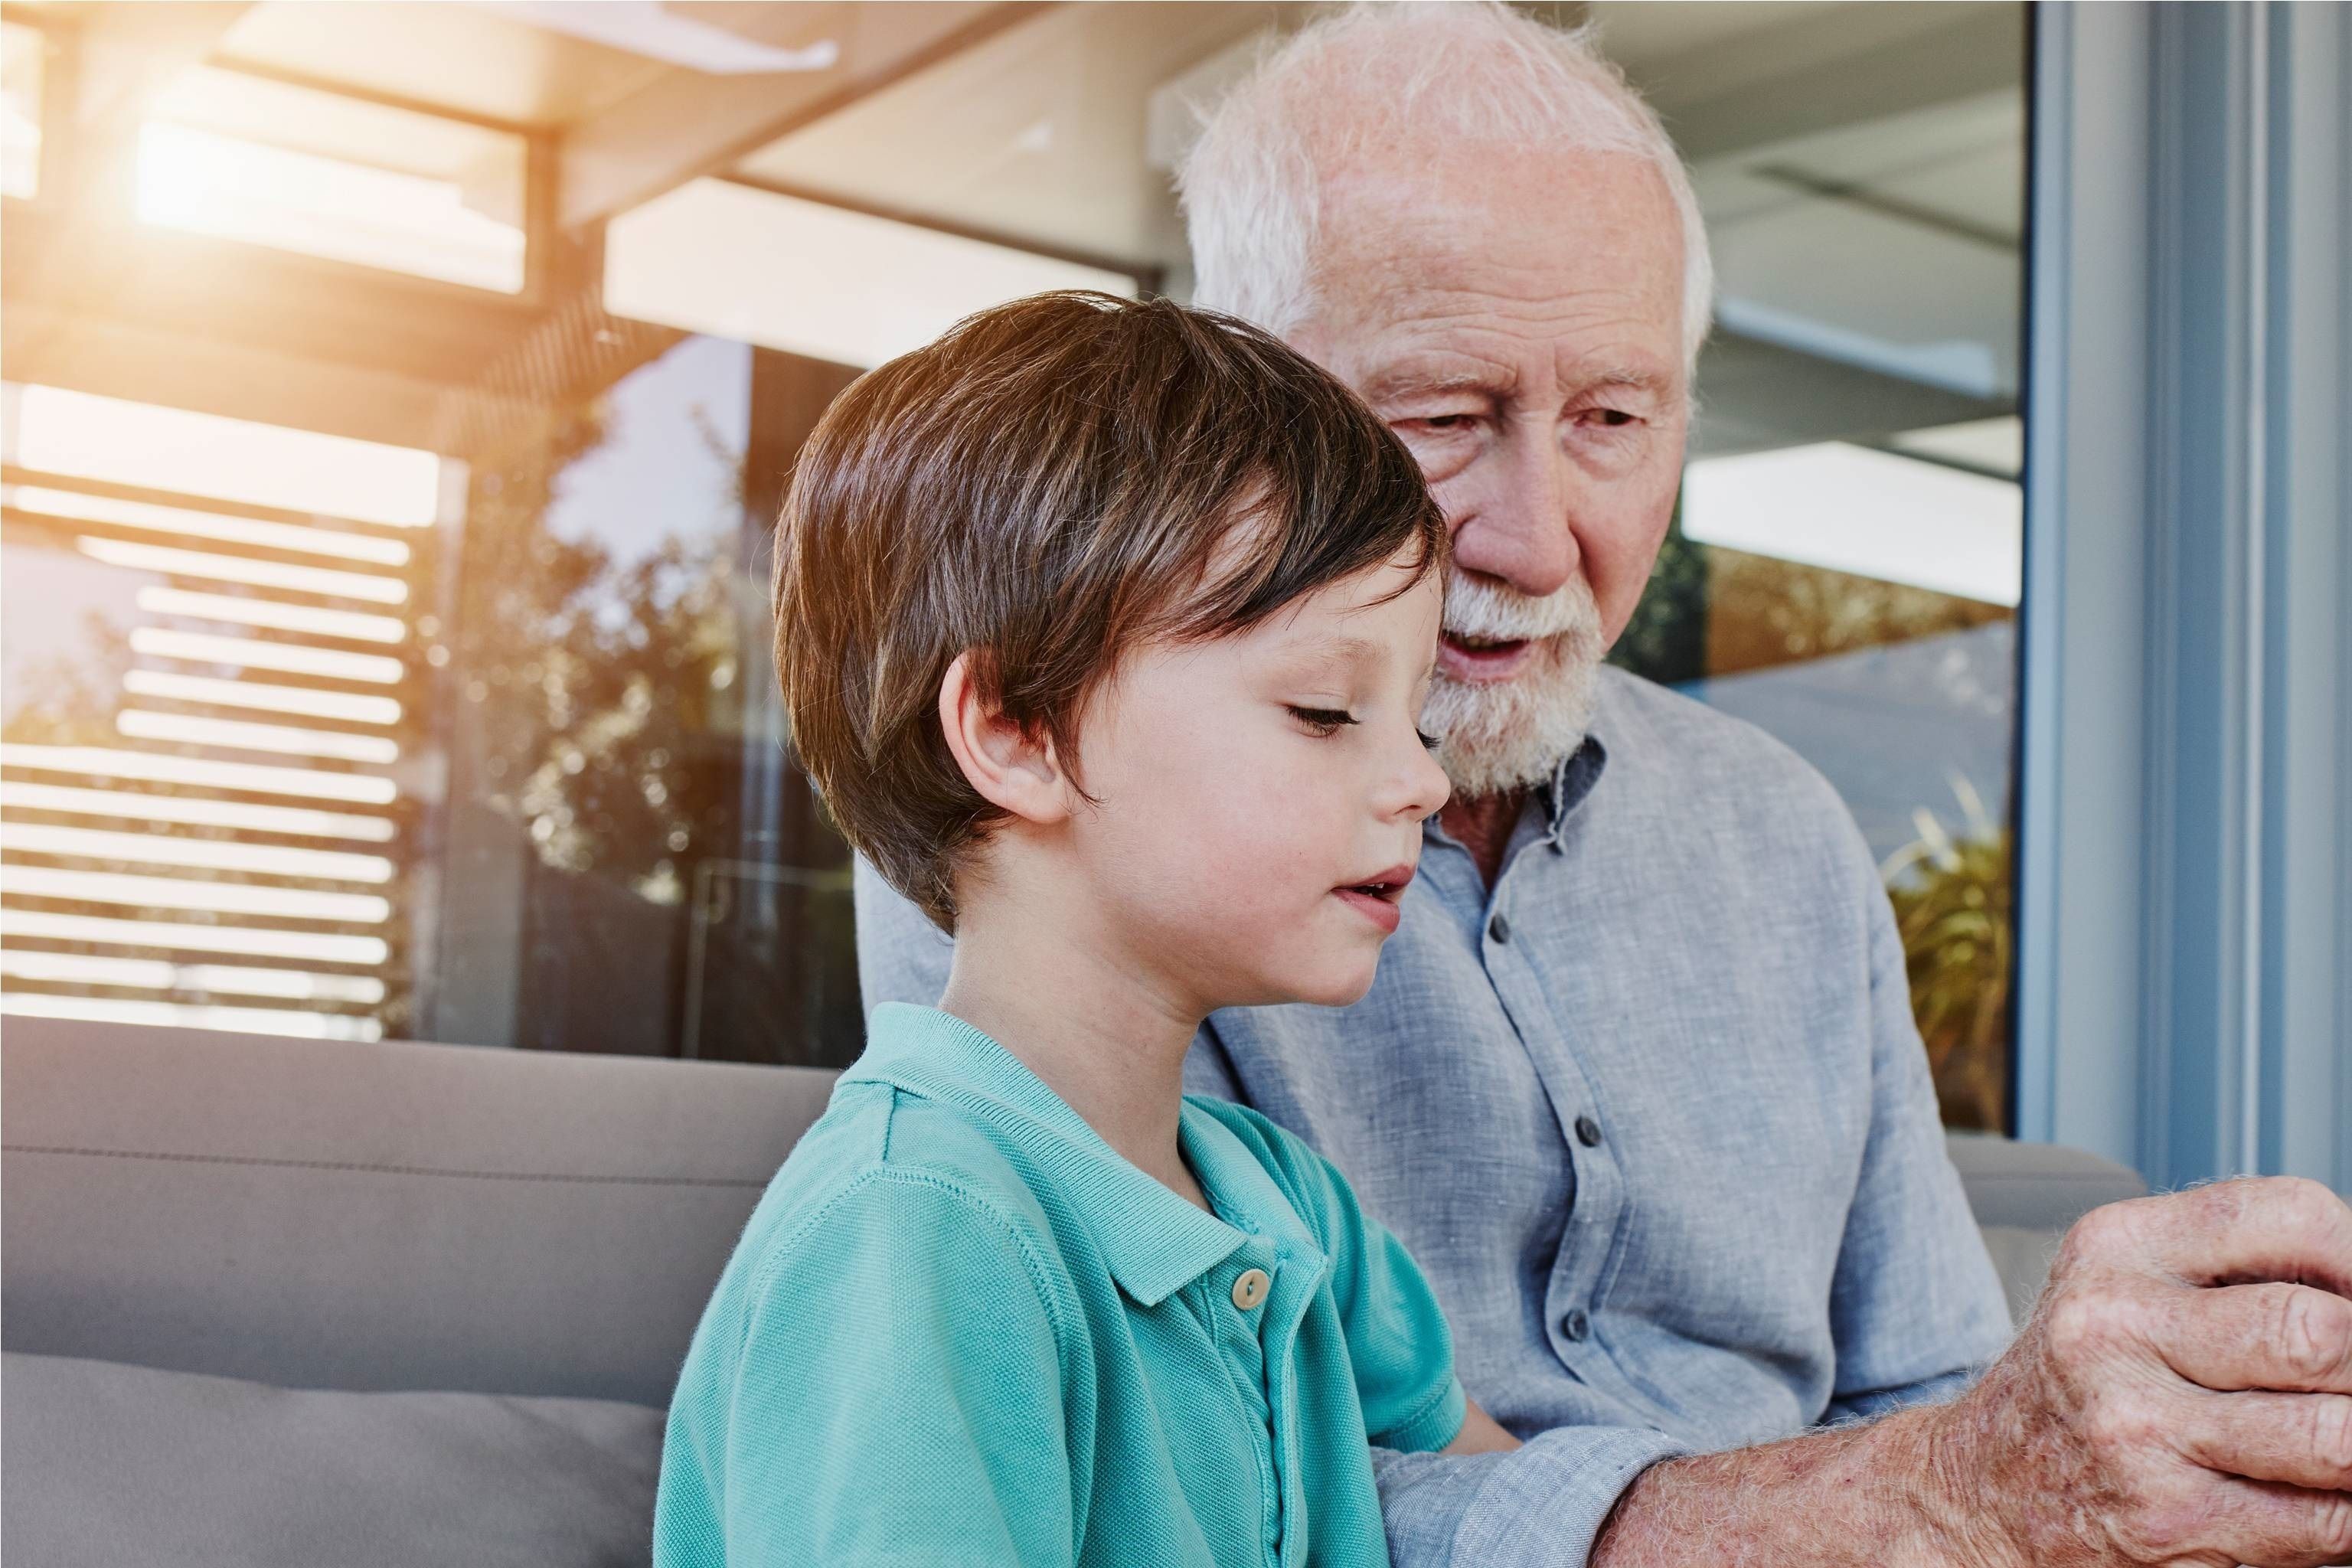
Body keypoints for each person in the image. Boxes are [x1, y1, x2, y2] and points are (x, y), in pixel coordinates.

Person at [854, 8, 2352, 1567]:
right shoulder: (1041, 839)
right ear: (1240, 404)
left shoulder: (1784, 831)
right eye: (1443, 417)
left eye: (1616, 421)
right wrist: (1898, 1502)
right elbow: (1180, 1482)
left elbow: (1941, 1398)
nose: (1538, 535)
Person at [655, 291, 1521, 1568]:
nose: (1425, 783)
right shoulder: (914, 1236)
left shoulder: (1287, 1208)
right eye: (1328, 711)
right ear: (1016, 732)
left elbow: (1517, 1506)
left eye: (1422, 721)